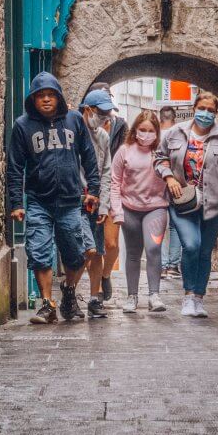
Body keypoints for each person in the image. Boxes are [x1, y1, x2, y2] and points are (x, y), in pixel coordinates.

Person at [8, 72, 100, 324]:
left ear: (58, 97)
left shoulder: (74, 120)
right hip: (39, 200)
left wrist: (93, 190)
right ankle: (47, 304)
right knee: (39, 251)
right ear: (33, 99)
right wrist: (16, 203)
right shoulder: (23, 126)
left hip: (70, 200)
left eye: (51, 95)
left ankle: (68, 292)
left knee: (76, 253)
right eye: (41, 96)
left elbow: (89, 156)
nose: (46, 99)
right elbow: (15, 167)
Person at [155, 92, 218, 318]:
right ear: (194, 108)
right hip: (182, 201)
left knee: (204, 251)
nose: (205, 113)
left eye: (211, 110)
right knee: (192, 245)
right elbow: (160, 158)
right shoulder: (176, 133)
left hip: (214, 203)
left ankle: (198, 298)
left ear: (216, 113)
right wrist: (169, 177)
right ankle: (188, 295)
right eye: (202, 108)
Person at [110, 111, 169, 314]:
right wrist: (117, 211)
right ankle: (132, 296)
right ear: (135, 130)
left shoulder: (161, 152)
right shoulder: (124, 151)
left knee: (153, 249)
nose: (146, 134)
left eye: (151, 130)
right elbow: (115, 182)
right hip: (130, 209)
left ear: (157, 132)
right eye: (142, 129)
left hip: (156, 208)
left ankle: (154, 295)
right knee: (133, 253)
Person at [86, 82, 127, 302]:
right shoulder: (82, 126)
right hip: (89, 191)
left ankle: (106, 274)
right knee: (92, 247)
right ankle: (95, 292)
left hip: (111, 188)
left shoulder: (120, 125)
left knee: (111, 244)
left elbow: (123, 154)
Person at [78, 89, 115, 318]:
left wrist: (104, 206)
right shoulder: (73, 132)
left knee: (98, 251)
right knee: (86, 251)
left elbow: (106, 172)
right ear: (88, 110)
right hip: (78, 200)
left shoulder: (103, 136)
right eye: (100, 113)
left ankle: (94, 298)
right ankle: (70, 293)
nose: (104, 117)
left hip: (96, 203)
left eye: (107, 113)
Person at [158, 105, 182, 278]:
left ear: (160, 119)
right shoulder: (179, 135)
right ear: (175, 119)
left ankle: (162, 265)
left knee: (159, 226)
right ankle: (173, 266)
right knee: (176, 225)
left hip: (157, 186)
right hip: (176, 185)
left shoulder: (154, 136)